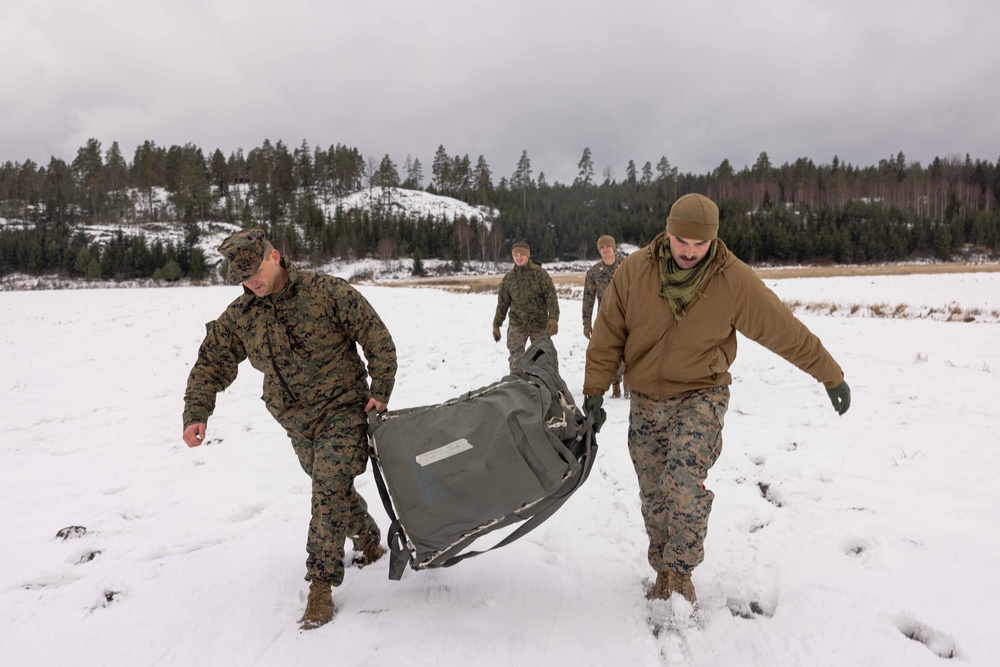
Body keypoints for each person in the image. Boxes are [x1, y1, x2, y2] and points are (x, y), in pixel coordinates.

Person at [583, 194, 850, 605]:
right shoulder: (634, 272)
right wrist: (595, 392)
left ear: (713, 240)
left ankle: (681, 574)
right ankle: (662, 569)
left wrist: (830, 375)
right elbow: (607, 337)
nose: (689, 252)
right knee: (653, 492)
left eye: (699, 244)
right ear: (666, 232)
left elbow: (783, 329)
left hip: (700, 395)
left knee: (684, 483)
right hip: (645, 400)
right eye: (681, 241)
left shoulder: (732, 280)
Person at [181, 228, 397, 630]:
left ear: (275, 256)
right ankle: (367, 537)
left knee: (328, 484)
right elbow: (211, 361)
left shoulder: (326, 292)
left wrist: (380, 389)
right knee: (330, 488)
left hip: (343, 409)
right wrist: (197, 411)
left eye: (254, 272)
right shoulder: (243, 315)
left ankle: (320, 585)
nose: (251, 282)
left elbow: (377, 338)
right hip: (295, 420)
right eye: (242, 277)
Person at [492, 240, 560, 371]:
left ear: (527, 255)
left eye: (521, 255)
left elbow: (551, 297)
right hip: (517, 325)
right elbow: (502, 303)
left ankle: (547, 387)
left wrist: (553, 318)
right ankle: (518, 387)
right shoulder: (509, 278)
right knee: (516, 361)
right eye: (516, 255)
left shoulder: (540, 274)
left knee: (543, 359)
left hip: (539, 324)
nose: (518, 257)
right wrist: (497, 324)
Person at [582, 234, 628, 398]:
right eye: (602, 247)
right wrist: (586, 324)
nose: (605, 249)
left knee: (631, 351)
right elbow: (588, 298)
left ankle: (629, 387)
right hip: (607, 320)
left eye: (608, 246)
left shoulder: (627, 265)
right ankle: (615, 387)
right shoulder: (594, 272)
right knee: (611, 353)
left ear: (613, 248)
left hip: (629, 316)